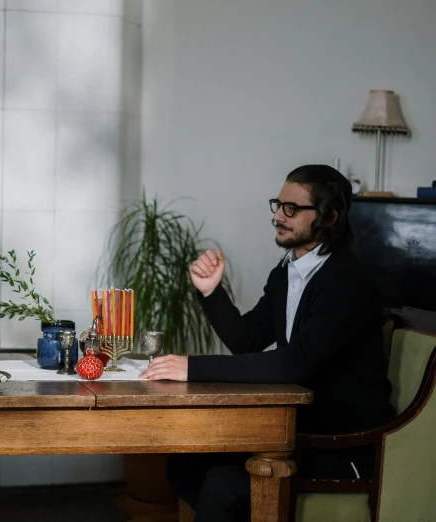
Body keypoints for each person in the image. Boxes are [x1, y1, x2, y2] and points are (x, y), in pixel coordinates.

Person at [140, 164, 395, 522]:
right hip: (294, 432)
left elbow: (293, 364)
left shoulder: (346, 282)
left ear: (329, 216)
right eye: (278, 205)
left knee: (222, 486)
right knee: (183, 467)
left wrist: (191, 366)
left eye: (292, 208)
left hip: (343, 444)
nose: (278, 215)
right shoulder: (286, 272)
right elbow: (248, 340)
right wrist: (211, 292)